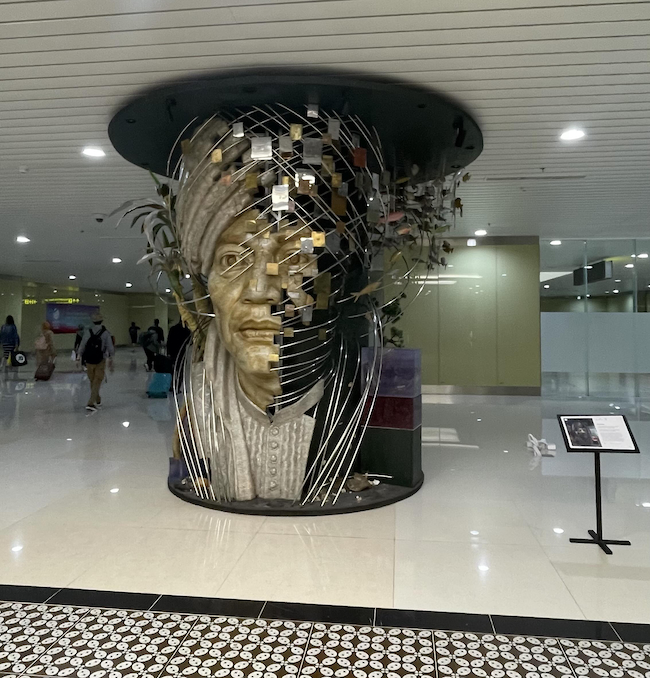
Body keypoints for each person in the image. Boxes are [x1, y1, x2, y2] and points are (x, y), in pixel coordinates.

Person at [77, 312, 115, 412]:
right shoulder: (105, 333)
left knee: (93, 380)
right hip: (100, 360)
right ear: (102, 321)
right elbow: (110, 347)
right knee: (97, 380)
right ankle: (90, 403)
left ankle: (97, 399)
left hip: (89, 360)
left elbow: (82, 344)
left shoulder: (88, 332)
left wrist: (79, 356)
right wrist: (111, 358)